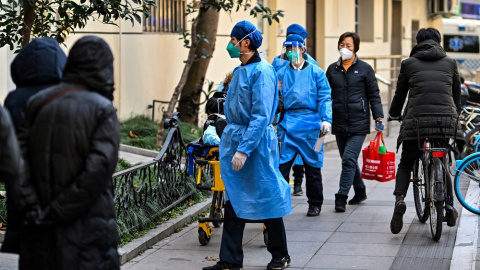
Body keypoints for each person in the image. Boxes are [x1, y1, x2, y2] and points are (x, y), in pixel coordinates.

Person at [11, 36, 121, 269]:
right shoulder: (102, 109)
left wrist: (36, 210)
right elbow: (97, 171)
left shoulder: (36, 103)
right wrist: (57, 211)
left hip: (39, 235)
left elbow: (17, 165)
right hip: (88, 236)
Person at [203, 20, 292, 270]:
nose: (230, 45)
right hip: (237, 139)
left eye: (233, 40)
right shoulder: (240, 71)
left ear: (246, 42)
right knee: (234, 199)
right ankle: (230, 260)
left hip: (257, 144)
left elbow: (261, 115)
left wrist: (244, 148)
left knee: (267, 196)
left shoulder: (262, 72)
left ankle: (280, 255)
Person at [388, 27, 461, 234]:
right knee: (444, 161)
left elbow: (400, 95)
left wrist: (394, 114)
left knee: (406, 162)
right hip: (445, 121)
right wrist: (456, 116)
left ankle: (400, 199)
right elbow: (456, 97)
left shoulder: (408, 64)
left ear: (418, 42)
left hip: (416, 122)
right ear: (438, 41)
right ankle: (448, 206)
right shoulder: (450, 63)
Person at [1, 37, 67, 254]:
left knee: (30, 251)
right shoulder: (69, 98)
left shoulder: (13, 100)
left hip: (24, 187)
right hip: (61, 187)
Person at [326, 32, 384, 212]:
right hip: (339, 121)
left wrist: (378, 117)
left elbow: (374, 95)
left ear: (355, 47)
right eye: (342, 44)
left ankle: (341, 196)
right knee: (348, 160)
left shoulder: (365, 69)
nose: (345, 48)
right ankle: (360, 190)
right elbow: (325, 95)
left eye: (349, 45)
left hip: (359, 122)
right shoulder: (332, 70)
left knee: (349, 159)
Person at [276, 34, 332, 217]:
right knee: (282, 167)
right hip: (287, 124)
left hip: (313, 126)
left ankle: (315, 204)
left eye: (295, 48)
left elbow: (324, 96)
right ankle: (280, 203)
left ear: (303, 49)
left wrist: (326, 119)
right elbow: (275, 98)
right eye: (288, 49)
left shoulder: (317, 72)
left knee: (313, 168)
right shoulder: (281, 72)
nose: (292, 52)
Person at [272, 24, 319, 196]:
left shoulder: (312, 66)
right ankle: (281, 195)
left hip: (307, 120)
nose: (292, 48)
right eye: (289, 42)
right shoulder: (278, 61)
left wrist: (325, 119)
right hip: (284, 115)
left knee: (305, 157)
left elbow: (322, 94)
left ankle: (298, 182)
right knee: (284, 156)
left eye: (296, 42)